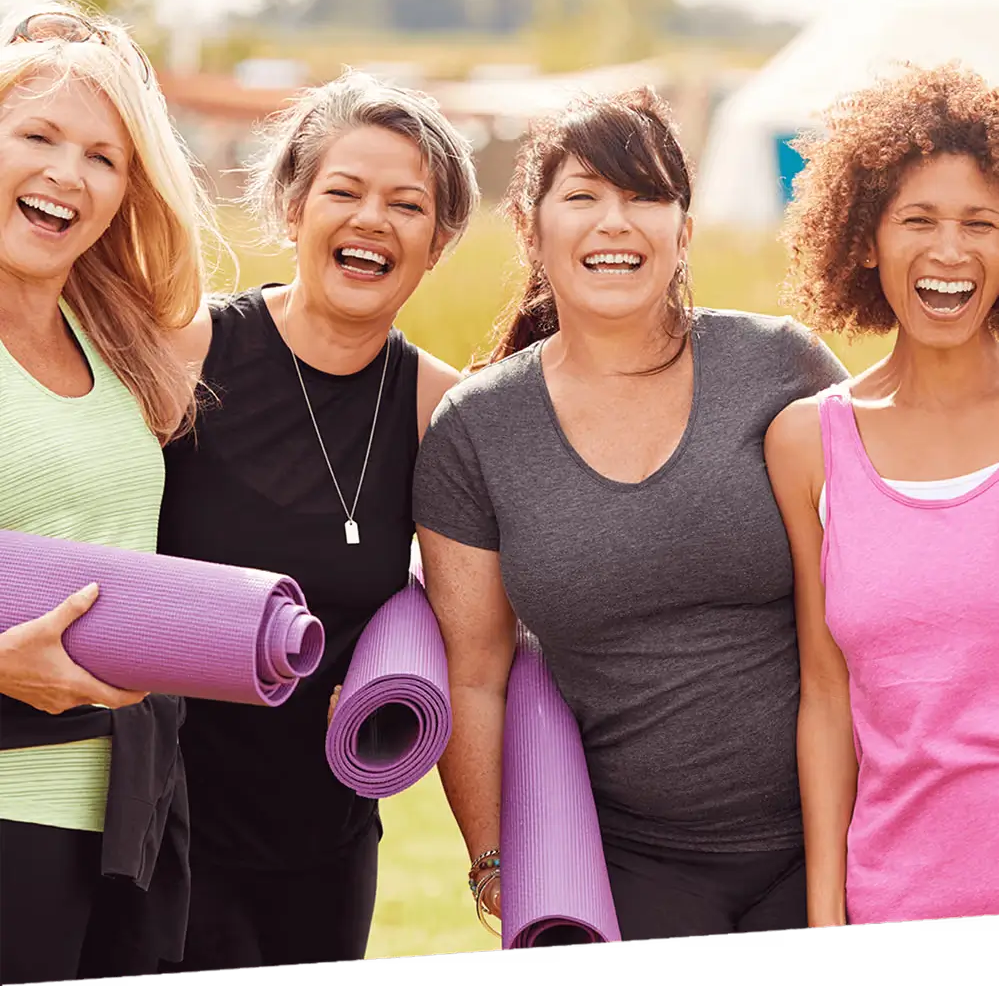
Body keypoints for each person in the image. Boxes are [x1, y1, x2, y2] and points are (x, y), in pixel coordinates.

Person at [411, 85, 851, 944]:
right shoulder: (476, 429)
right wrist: (494, 857)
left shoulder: (780, 367)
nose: (615, 222)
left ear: (682, 229)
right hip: (630, 859)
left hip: (837, 833)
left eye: (645, 195)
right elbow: (475, 674)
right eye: (582, 196)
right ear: (532, 232)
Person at [154, 70, 479, 974]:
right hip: (167, 825)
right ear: (294, 209)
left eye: (406, 204)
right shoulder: (188, 353)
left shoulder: (440, 408)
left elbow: (476, 624)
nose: (372, 219)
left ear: (438, 242)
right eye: (344, 191)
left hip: (329, 834)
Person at [0, 0, 224, 985]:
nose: (65, 173)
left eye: (102, 155)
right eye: (37, 136)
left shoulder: (116, 344)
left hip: (127, 814)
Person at [765, 62, 999, 930]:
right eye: (918, 220)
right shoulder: (807, 444)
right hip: (893, 893)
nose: (949, 251)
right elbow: (825, 698)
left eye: (981, 223)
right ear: (865, 239)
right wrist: (827, 908)